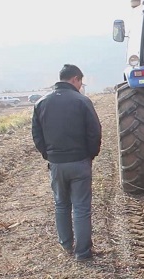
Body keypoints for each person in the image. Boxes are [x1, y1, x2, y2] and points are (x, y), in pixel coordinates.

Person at [31, 64, 102, 261]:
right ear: (75, 79)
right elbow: (94, 132)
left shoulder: (41, 103)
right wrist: (90, 155)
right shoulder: (82, 101)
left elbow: (36, 134)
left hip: (56, 163)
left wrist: (48, 155)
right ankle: (83, 252)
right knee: (81, 207)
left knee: (61, 204)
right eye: (81, 82)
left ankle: (66, 245)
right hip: (80, 161)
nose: (80, 86)